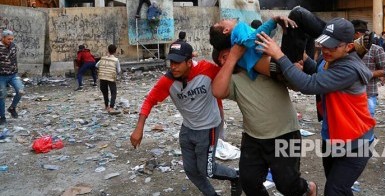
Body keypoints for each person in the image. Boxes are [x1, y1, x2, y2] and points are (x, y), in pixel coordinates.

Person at [256, 18, 375, 196]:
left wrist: (279, 55)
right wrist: (299, 53)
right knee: (340, 188)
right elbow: (318, 70)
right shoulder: (331, 59)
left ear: (349, 47)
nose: (325, 50)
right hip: (333, 138)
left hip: (356, 143)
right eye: (323, 44)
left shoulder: (349, 69)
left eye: (332, 46)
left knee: (334, 190)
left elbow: (309, 85)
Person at [130, 42, 241, 196]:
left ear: (189, 62)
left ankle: (236, 176)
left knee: (206, 169)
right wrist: (139, 128)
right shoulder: (168, 81)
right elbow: (149, 100)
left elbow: (229, 76)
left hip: (208, 128)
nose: (173, 67)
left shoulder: (207, 69)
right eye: (171, 62)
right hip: (188, 129)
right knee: (191, 170)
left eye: (177, 63)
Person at [211, 46, 317, 196]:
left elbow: (295, 84)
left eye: (224, 55)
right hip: (253, 138)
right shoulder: (232, 78)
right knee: (249, 182)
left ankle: (308, 188)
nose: (223, 61)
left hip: (285, 133)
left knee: (287, 185)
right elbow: (217, 91)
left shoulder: (264, 65)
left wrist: (295, 70)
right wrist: (231, 60)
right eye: (219, 60)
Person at [209, 6, 326, 80]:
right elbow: (250, 41)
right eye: (221, 22)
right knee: (297, 13)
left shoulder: (237, 49)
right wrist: (273, 20)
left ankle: (320, 70)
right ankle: (334, 33)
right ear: (226, 30)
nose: (224, 19)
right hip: (279, 65)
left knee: (304, 32)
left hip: (278, 68)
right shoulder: (238, 30)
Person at [360, 31, 385, 117]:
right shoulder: (348, 49)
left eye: (366, 38)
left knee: (368, 118)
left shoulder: (376, 49)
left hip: (369, 91)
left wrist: (368, 74)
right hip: (349, 94)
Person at [0, 30, 25, 125]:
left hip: (13, 74)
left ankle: (12, 108)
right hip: (1, 76)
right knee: (2, 96)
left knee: (21, 91)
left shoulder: (13, 46)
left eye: (12, 39)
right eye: (8, 39)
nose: (10, 40)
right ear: (3, 38)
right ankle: (2, 117)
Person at [95, 44, 121, 115]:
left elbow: (96, 65)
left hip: (102, 77)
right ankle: (111, 107)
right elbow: (119, 70)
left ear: (108, 50)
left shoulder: (103, 58)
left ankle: (106, 106)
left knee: (105, 92)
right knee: (113, 92)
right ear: (115, 51)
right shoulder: (116, 60)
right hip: (111, 77)